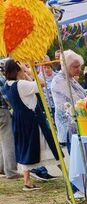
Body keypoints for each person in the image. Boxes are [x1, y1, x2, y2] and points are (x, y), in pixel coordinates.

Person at [1, 59, 59, 191]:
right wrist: (28, 71)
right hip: (31, 119)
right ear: (17, 71)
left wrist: (25, 73)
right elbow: (41, 84)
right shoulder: (20, 84)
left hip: (20, 118)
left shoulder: (7, 85)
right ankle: (65, 171)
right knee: (48, 143)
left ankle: (27, 181)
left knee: (25, 147)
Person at [50, 50, 86, 151]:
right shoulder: (59, 80)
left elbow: (84, 96)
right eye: (75, 67)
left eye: (79, 66)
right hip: (69, 128)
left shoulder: (71, 78)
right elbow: (78, 100)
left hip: (78, 124)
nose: (79, 69)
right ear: (65, 66)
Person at [0, 62, 19, 180]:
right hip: (2, 111)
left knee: (1, 141)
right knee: (8, 141)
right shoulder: (1, 80)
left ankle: (1, 168)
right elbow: (5, 95)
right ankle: (11, 171)